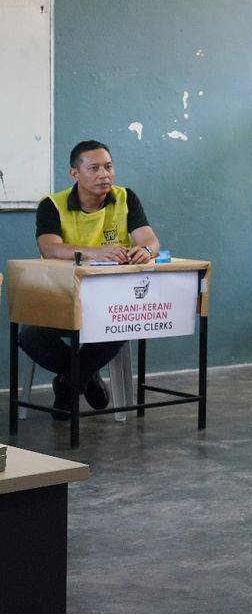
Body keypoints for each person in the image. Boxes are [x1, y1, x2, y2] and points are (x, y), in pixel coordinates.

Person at [20, 140, 162, 419]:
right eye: (94, 168)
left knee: (124, 323)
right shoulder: (52, 205)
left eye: (108, 167)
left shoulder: (125, 197)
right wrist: (96, 252)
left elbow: (151, 241)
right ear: (75, 174)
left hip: (110, 299)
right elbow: (49, 248)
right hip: (61, 295)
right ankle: (86, 377)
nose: (104, 175)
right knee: (30, 337)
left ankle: (68, 385)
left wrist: (144, 251)